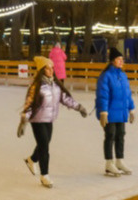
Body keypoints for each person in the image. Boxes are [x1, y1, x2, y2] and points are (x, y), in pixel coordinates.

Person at [17, 56, 87, 188]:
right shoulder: (36, 87)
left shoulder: (55, 85)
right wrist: (23, 121)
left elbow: (66, 99)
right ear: (42, 70)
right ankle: (45, 175)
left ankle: (31, 160)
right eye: (48, 68)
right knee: (44, 146)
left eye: (52, 68)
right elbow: (29, 105)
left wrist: (79, 107)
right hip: (37, 120)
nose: (51, 70)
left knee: (44, 144)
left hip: (49, 119)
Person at [95, 46, 135, 177]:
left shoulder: (123, 76)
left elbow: (127, 94)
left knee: (121, 135)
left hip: (121, 112)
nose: (121, 61)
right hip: (110, 113)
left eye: (122, 59)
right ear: (112, 61)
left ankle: (119, 160)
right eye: (119, 59)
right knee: (110, 136)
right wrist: (103, 112)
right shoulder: (106, 76)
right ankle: (109, 163)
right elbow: (103, 95)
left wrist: (131, 109)